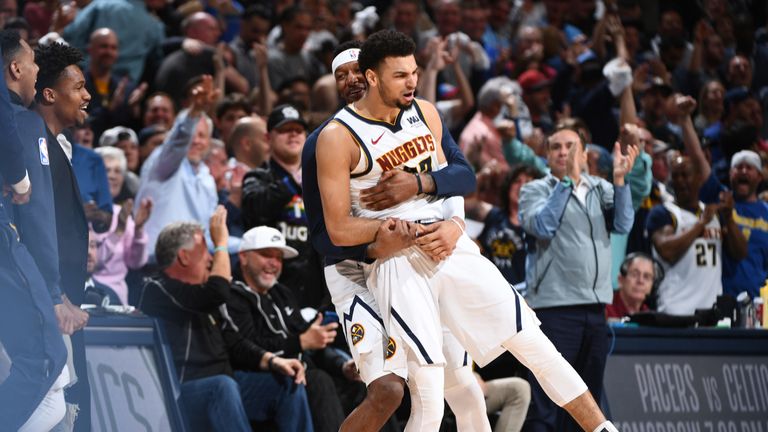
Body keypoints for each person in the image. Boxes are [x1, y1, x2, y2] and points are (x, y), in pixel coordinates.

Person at [316, 29, 618, 432]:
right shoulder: (336, 137)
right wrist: (384, 232)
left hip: (448, 244)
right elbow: (336, 229)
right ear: (372, 77)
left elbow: (454, 180)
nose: (412, 83)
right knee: (429, 394)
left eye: (414, 72)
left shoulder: (425, 112)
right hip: (396, 262)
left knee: (533, 343)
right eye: (400, 75)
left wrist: (455, 224)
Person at [304, 40, 492, 432]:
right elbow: (322, 235)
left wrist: (444, 214)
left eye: (358, 69)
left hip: (409, 258)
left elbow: (461, 176)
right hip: (354, 268)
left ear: (375, 74)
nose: (352, 79)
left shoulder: (416, 119)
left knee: (464, 388)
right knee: (390, 390)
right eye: (342, 75)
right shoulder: (326, 141)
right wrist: (377, 241)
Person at [139, 207, 313, 432]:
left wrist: (273, 361)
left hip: (227, 385)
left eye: (213, 251)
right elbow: (218, 292)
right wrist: (221, 243)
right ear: (184, 256)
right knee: (222, 387)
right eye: (206, 252)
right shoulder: (157, 288)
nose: (211, 259)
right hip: (182, 392)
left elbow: (235, 340)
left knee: (288, 383)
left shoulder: (205, 295)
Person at [518, 120, 638, 430]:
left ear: (585, 155)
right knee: (546, 404)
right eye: (556, 147)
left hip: (595, 309)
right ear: (546, 156)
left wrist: (621, 180)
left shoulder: (601, 189)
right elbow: (542, 226)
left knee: (587, 404)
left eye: (571, 147)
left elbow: (623, 223)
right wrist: (567, 183)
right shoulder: (534, 190)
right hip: (554, 310)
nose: (563, 153)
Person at [228, 226, 360, 432]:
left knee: (362, 382)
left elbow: (313, 344)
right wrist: (299, 342)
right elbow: (245, 348)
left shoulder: (281, 293)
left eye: (279, 257)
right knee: (318, 381)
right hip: (259, 379)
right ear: (243, 257)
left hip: (300, 372)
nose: (274, 263)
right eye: (266, 255)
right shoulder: (233, 295)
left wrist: (342, 365)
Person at [0, 36, 68, 431]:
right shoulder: (22, 120)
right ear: (16, 70)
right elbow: (37, 213)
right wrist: (54, 288)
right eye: (35, 66)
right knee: (46, 361)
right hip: (14, 253)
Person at [34, 40, 93, 431]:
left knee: (64, 408)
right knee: (52, 408)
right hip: (44, 301)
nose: (87, 95)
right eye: (79, 87)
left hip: (62, 299)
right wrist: (56, 295)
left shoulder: (58, 145)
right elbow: (34, 228)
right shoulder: (31, 143)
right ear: (50, 93)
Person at [646, 96, 747, 315]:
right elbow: (667, 251)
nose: (680, 181)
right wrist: (700, 224)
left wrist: (729, 218)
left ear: (698, 179)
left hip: (711, 312)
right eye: (677, 176)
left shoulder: (715, 213)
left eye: (686, 176)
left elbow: (740, 253)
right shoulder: (663, 213)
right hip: (674, 311)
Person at [135, 75, 219, 259]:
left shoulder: (207, 178)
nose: (196, 141)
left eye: (202, 136)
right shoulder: (164, 162)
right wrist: (194, 113)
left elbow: (207, 234)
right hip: (155, 265)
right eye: (193, 135)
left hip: (193, 264)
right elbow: (178, 141)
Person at [723, 150, 768, 299]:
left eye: (749, 167)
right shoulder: (721, 206)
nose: (743, 171)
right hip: (724, 297)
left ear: (760, 176)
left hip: (760, 300)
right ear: (730, 174)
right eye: (738, 167)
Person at [606, 253, 657, 319]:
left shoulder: (649, 317)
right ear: (621, 280)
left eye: (646, 277)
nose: (640, 281)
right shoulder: (603, 310)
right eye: (635, 274)